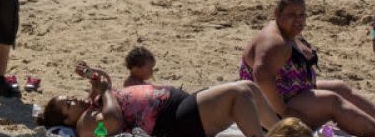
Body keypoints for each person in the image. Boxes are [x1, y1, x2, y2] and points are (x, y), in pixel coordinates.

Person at [240, 0, 375, 136]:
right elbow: (261, 77)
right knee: (332, 101)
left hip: (291, 92)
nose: (298, 20)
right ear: (277, 14)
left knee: (340, 87)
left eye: (302, 15)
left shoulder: (285, 30)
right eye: (292, 15)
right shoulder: (275, 43)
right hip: (271, 111)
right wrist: (285, 113)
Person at [37, 62, 279, 137]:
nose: (75, 100)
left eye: (70, 97)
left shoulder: (92, 106)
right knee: (237, 95)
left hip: (177, 107)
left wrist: (92, 76)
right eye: (68, 105)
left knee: (248, 87)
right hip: (173, 122)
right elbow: (111, 122)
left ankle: (287, 130)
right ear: (67, 120)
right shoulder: (87, 127)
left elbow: (105, 81)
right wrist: (105, 91)